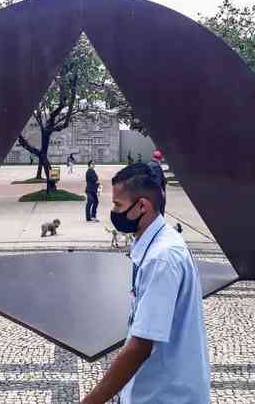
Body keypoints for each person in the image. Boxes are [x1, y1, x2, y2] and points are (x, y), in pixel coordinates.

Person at [81, 163, 210, 404]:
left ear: (142, 206)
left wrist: (92, 401)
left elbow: (140, 345)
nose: (114, 211)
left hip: (165, 396)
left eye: (118, 205)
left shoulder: (161, 259)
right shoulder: (157, 245)